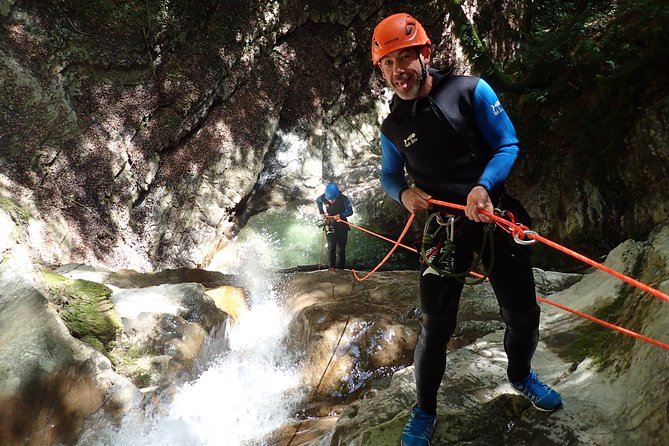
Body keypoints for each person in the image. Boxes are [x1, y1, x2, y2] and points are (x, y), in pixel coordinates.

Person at [371, 12, 562, 446]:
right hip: (444, 227)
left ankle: (520, 375)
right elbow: (389, 175)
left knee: (523, 314)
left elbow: (507, 142)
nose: (398, 71)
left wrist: (483, 186)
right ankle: (424, 410)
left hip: (492, 214)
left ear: (425, 53)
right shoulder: (393, 127)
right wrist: (403, 195)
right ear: (381, 71)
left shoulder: (470, 91)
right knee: (435, 324)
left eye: (405, 58)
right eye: (388, 63)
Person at [316, 182, 353, 270]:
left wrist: (341, 215)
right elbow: (318, 201)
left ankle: (341, 269)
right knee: (331, 246)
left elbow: (350, 211)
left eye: (334, 199)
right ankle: (331, 268)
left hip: (342, 223)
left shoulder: (344, 199)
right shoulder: (324, 197)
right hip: (330, 222)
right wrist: (321, 212)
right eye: (330, 200)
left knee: (341, 248)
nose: (332, 201)